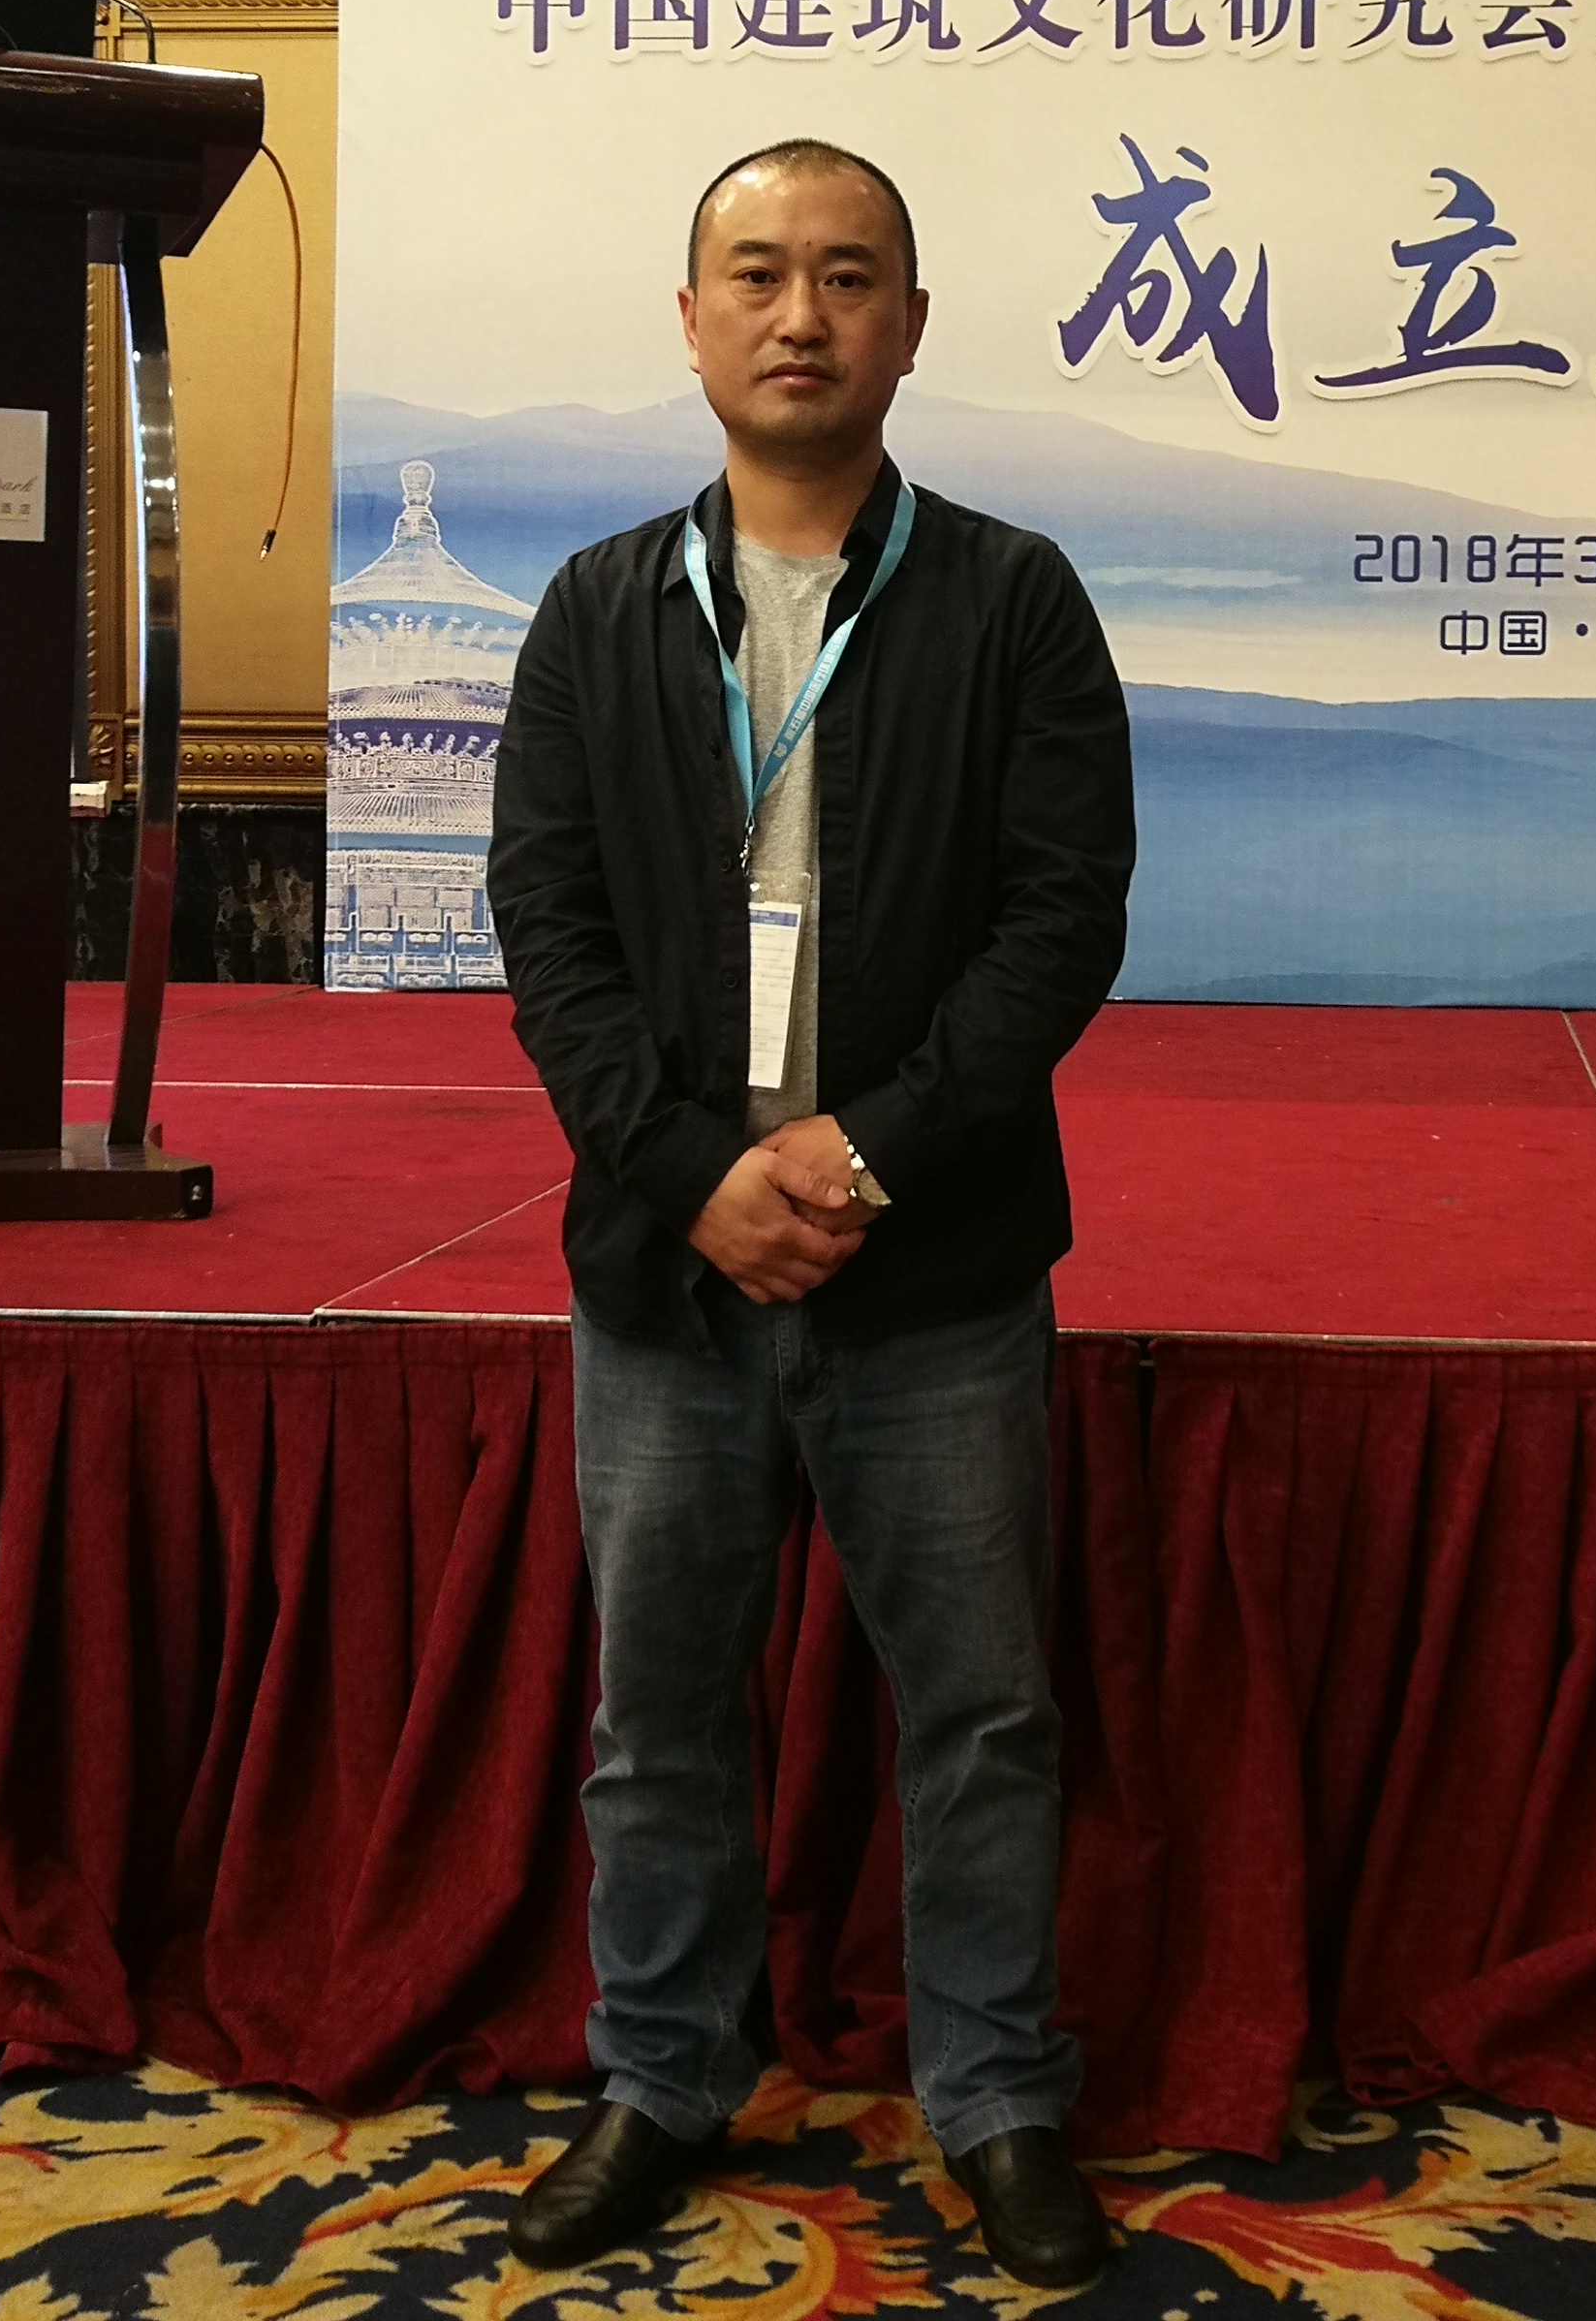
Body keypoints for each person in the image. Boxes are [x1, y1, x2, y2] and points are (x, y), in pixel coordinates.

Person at [484, 138, 1135, 2291]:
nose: (800, 314)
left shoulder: (1013, 599)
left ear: (909, 327)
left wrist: (862, 1158)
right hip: (667, 1283)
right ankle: (663, 2076)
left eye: (848, 277)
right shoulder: (595, 612)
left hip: (929, 1269)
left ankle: (1000, 2095)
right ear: (689, 323)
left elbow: (1058, 927)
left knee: (982, 1716)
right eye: (756, 274)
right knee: (658, 1717)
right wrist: (696, 1176)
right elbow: (549, 934)